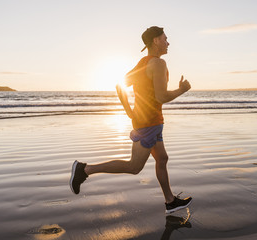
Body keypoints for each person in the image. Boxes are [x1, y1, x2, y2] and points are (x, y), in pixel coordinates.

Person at [70, 26, 192, 214]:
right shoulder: (159, 64)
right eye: (165, 38)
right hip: (149, 123)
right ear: (155, 41)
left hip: (150, 121)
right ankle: (84, 170)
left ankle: (170, 201)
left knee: (162, 159)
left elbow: (120, 85)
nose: (168, 42)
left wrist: (129, 111)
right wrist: (181, 90)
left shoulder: (143, 63)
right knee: (134, 166)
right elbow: (161, 97)